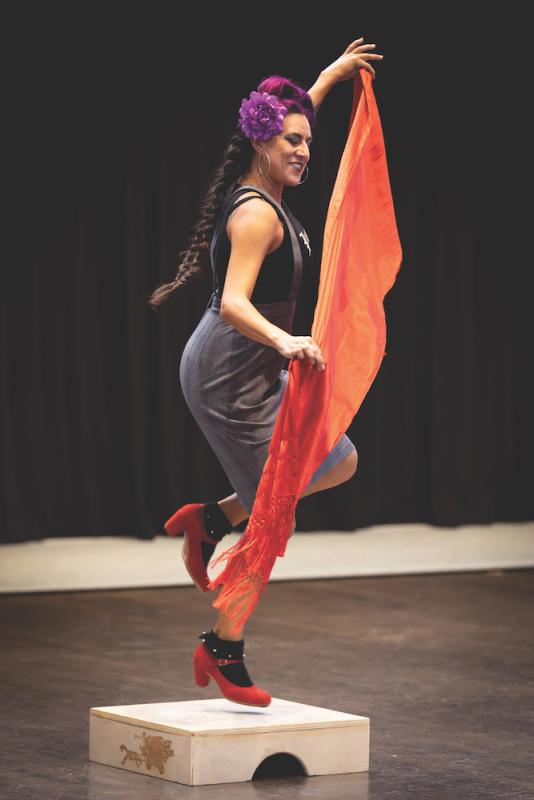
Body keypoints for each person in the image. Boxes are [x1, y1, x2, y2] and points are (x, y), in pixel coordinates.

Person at [148, 36, 384, 707]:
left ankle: (213, 520)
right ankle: (222, 649)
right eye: (290, 141)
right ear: (260, 142)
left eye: (308, 140)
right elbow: (231, 303)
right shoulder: (256, 214)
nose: (303, 152)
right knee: (276, 512)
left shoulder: (270, 188)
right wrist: (288, 341)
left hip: (252, 363)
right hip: (228, 374)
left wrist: (330, 77)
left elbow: (294, 108)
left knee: (336, 458)